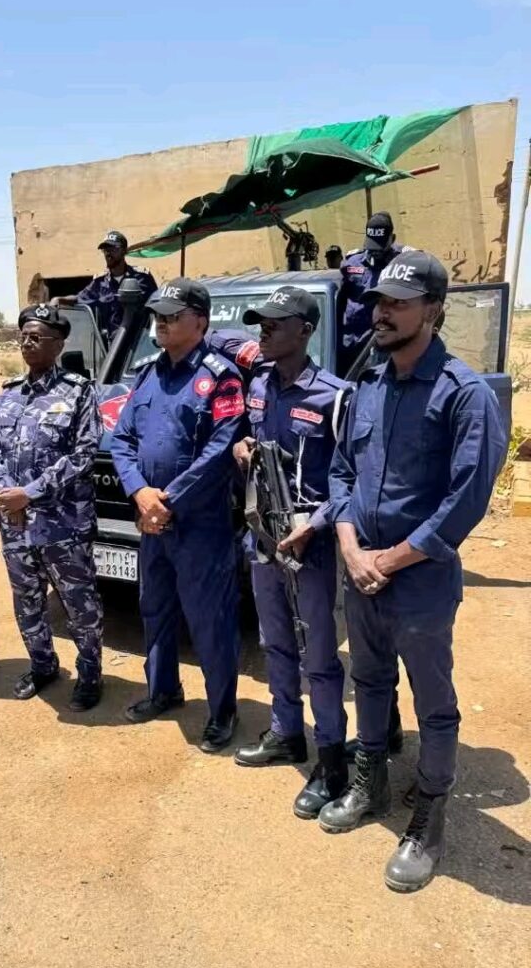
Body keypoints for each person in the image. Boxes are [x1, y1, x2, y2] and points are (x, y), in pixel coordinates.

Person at [320, 251, 507, 893]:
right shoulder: (367, 387)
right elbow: (341, 473)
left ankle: (428, 816)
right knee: (370, 681)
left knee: (433, 703)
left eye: (399, 303)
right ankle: (371, 782)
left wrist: (392, 558)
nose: (383, 313)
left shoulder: (464, 394)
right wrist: (351, 548)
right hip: (363, 570)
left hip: (420, 581)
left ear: (433, 310)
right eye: (380, 301)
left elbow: (467, 498)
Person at [110, 277, 246, 752]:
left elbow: (221, 448)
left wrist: (166, 501)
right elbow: (122, 439)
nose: (162, 322)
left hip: (200, 524)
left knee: (210, 620)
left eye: (172, 315)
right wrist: (139, 493)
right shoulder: (148, 375)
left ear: (200, 322)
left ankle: (222, 710)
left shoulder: (222, 377)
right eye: (158, 315)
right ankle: (163, 690)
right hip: (152, 523)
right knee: (156, 609)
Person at [231, 287, 352, 818]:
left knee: (318, 657)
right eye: (261, 323)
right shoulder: (258, 385)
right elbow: (247, 435)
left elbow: (352, 479)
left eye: (276, 324)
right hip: (263, 537)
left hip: (311, 544)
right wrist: (242, 446)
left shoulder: (334, 396)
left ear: (305, 331)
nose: (264, 330)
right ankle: (286, 732)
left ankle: (332, 761)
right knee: (274, 643)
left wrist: (314, 524)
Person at [0, 303, 104, 711]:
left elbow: (84, 453)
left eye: (37, 337)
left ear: (58, 344)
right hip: (15, 524)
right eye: (24, 336)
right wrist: (6, 492)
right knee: (27, 600)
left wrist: (29, 493)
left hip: (63, 526)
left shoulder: (79, 391)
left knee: (79, 604)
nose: (27, 343)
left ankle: (89, 674)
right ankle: (43, 665)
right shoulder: (9, 393)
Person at [336, 212, 415, 376]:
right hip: (349, 345)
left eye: (380, 247)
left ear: (392, 239)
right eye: (371, 246)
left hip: (380, 347)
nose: (375, 252)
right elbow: (339, 301)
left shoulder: (402, 264)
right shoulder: (352, 263)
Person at [51, 230, 157, 340]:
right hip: (113, 345)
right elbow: (79, 299)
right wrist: (59, 300)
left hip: (140, 343)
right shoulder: (99, 283)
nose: (108, 254)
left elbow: (157, 307)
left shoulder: (143, 277)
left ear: (124, 251)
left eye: (113, 249)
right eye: (105, 250)